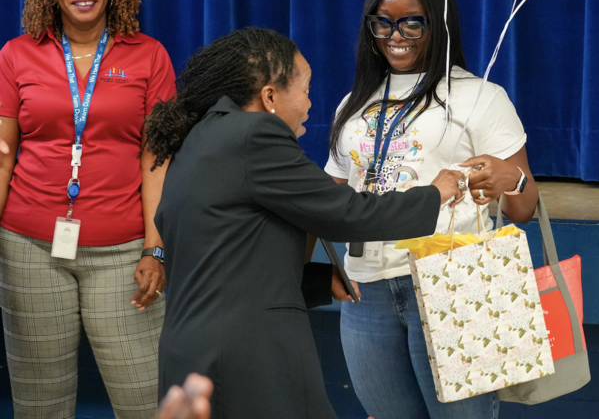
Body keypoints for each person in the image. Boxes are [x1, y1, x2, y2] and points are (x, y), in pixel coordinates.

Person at [147, 27, 465, 419]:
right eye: (306, 89)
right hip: (248, 358)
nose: (310, 105)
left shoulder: (199, 139)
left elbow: (222, 256)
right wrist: (435, 193)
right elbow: (347, 213)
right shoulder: (254, 133)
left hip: (191, 351)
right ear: (269, 97)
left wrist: (316, 281)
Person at [326, 0, 540, 419]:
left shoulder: (482, 97)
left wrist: (513, 179)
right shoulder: (353, 103)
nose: (394, 36)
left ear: (440, 23)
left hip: (453, 283)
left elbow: (524, 206)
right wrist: (324, 265)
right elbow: (331, 197)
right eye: (381, 24)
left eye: (411, 23)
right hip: (366, 291)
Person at [0, 0, 174, 418]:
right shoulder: (16, 55)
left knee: (145, 400)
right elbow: (3, 152)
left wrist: (155, 245)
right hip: (27, 247)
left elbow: (157, 158)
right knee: (39, 403)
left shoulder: (149, 56)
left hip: (122, 254)